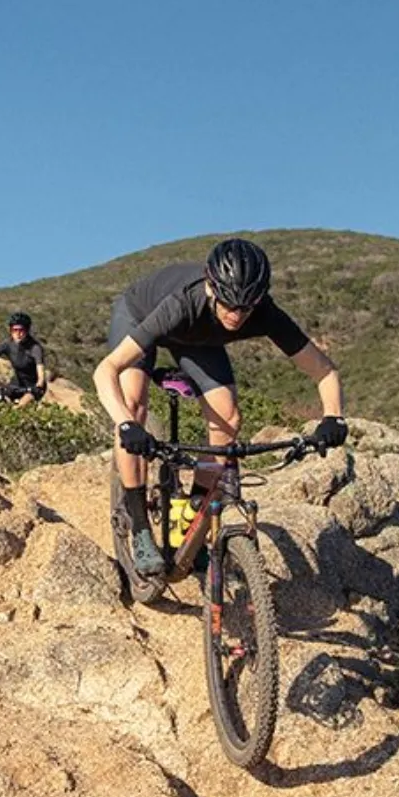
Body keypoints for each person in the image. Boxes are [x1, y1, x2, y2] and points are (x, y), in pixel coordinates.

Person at [93, 237, 347, 577]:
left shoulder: (263, 312)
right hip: (141, 314)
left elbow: (324, 370)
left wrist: (333, 416)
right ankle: (138, 523)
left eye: (246, 308)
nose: (236, 316)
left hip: (198, 338)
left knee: (228, 417)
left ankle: (194, 515)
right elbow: (105, 370)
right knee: (134, 404)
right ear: (211, 287)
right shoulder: (182, 303)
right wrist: (126, 424)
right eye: (229, 304)